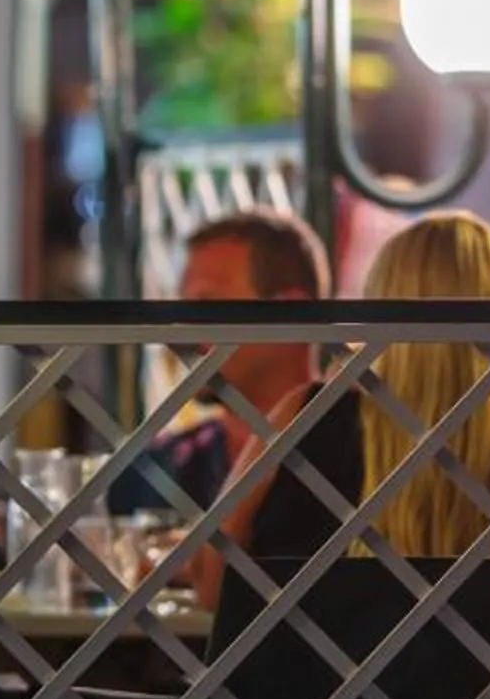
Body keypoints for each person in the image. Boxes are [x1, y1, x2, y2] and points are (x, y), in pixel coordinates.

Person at [215, 210, 490, 602]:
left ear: (380, 307)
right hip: (481, 666)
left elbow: (213, 583)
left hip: (319, 663)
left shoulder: (305, 421)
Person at [116, 209, 331, 517]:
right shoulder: (151, 474)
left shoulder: (369, 456)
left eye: (206, 308)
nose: (182, 335)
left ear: (290, 314)